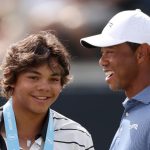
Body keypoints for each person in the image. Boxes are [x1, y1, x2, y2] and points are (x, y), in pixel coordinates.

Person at [0, 30, 95, 150]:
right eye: (33, 78)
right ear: (11, 77)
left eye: (53, 79)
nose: (44, 87)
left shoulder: (77, 138)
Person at [80, 9, 150, 150]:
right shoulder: (134, 109)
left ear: (141, 53)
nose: (102, 61)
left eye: (110, 52)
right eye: (102, 53)